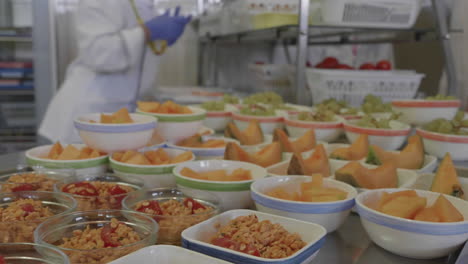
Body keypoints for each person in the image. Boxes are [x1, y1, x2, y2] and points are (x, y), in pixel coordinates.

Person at [38, 0, 191, 143]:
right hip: (89, 110)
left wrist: (162, 35)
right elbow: (98, 54)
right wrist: (146, 32)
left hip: (117, 114)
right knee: (79, 168)